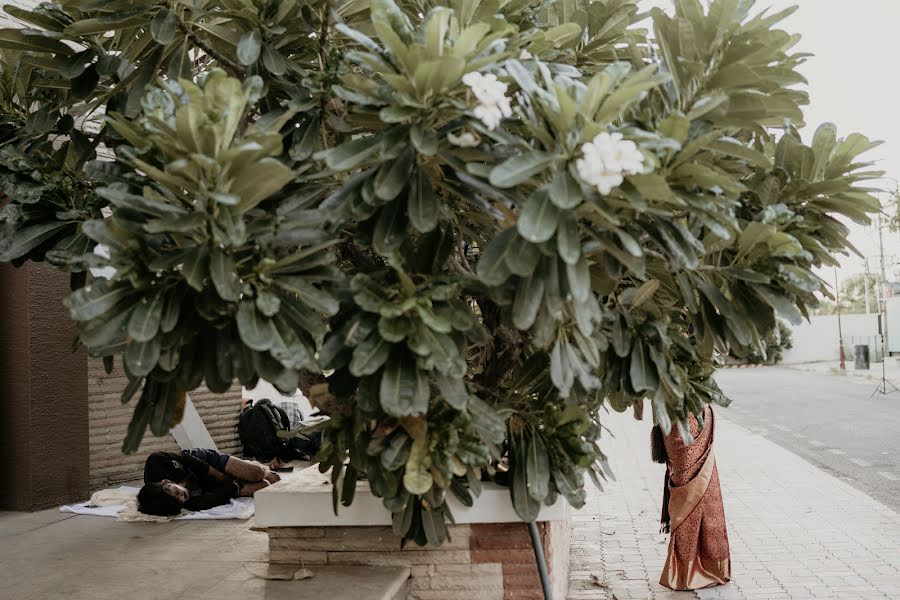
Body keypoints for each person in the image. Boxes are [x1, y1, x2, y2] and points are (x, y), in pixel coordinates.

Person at [653, 404, 731, 591]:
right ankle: (684, 572)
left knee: (708, 495)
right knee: (688, 494)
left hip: (697, 414)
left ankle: (709, 565)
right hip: (678, 419)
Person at [137, 448, 281, 516]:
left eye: (177, 492)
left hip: (207, 464)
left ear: (166, 481)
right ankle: (246, 473)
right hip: (208, 484)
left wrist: (221, 475)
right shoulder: (186, 503)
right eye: (179, 500)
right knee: (265, 486)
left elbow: (188, 458)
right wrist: (234, 485)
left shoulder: (157, 462)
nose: (182, 496)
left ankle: (262, 467)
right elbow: (217, 497)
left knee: (258, 473)